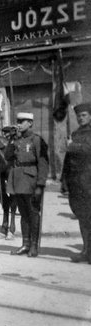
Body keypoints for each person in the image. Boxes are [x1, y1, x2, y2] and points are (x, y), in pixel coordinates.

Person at [4, 112, 49, 257]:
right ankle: (25, 244)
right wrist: (11, 140)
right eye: (18, 121)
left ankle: (34, 246)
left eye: (22, 121)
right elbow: (7, 156)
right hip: (17, 180)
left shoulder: (36, 140)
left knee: (33, 214)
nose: (19, 124)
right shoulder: (16, 140)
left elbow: (43, 163)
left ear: (30, 123)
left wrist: (40, 185)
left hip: (31, 180)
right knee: (23, 214)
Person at [62, 103, 91, 264]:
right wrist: (64, 180)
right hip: (76, 182)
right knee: (82, 216)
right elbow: (68, 159)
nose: (81, 118)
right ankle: (86, 250)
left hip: (89, 181)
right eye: (79, 116)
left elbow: (88, 149)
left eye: (84, 115)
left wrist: (72, 146)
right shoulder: (75, 133)